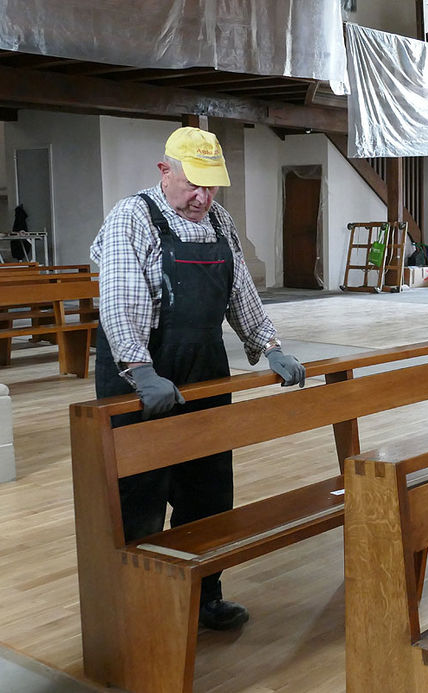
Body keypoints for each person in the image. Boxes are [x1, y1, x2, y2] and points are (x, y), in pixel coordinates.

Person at [91, 126, 306, 631]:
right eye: (193, 185)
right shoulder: (133, 217)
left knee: (209, 491)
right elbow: (121, 302)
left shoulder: (218, 220)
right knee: (140, 494)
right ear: (164, 171)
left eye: (212, 186)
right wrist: (140, 370)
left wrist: (269, 346)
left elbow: (242, 294)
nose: (203, 197)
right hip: (142, 371)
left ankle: (206, 593)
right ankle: (138, 610)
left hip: (206, 367)